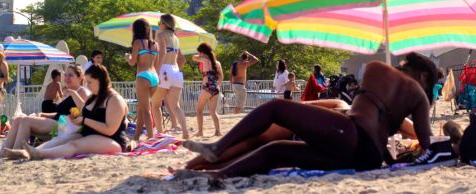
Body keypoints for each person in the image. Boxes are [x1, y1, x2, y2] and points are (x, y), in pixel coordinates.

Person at [180, 52, 437, 179]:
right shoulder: (419, 97)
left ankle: (218, 147)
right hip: (367, 158)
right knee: (277, 150)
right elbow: (427, 147)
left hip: (349, 135)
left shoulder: (375, 68)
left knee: (275, 109)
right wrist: (393, 162)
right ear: (424, 76)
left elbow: (363, 122)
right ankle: (219, 176)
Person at [3, 64, 129, 160]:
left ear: (100, 80)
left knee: (74, 145)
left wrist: (84, 120)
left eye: (90, 82)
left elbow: (110, 129)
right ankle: (25, 152)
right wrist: (78, 116)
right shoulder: (95, 97)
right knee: (57, 141)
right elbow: (84, 110)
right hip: (89, 134)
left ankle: (39, 154)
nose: (88, 86)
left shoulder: (114, 99)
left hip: (112, 140)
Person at [1, 64, 89, 154]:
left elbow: (87, 111)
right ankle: (4, 150)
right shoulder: (67, 92)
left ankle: (16, 151)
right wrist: (43, 114)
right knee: (18, 119)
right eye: (65, 75)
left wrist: (73, 93)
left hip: (64, 126)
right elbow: (60, 113)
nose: (66, 78)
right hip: (59, 121)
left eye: (71, 75)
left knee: (25, 121)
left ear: (80, 77)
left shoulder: (82, 91)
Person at [151, 14, 189, 139]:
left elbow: (162, 52)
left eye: (159, 23)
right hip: (176, 71)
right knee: (175, 106)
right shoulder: (175, 37)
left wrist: (156, 70)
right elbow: (182, 59)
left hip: (164, 69)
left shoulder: (160, 34)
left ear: (164, 24)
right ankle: (185, 131)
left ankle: (160, 133)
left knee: (155, 104)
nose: (158, 25)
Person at [124, 18, 159, 139]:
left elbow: (132, 62)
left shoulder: (138, 42)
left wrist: (127, 57)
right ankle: (137, 136)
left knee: (146, 110)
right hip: (154, 76)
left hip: (143, 75)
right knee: (141, 108)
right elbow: (157, 63)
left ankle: (150, 138)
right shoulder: (155, 44)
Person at [192, 43, 223, 137]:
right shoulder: (217, 63)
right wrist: (217, 85)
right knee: (213, 112)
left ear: (202, 52)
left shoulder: (204, 59)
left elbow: (193, 57)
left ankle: (200, 131)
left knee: (199, 110)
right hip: (216, 88)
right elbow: (221, 77)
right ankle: (218, 131)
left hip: (208, 88)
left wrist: (201, 55)